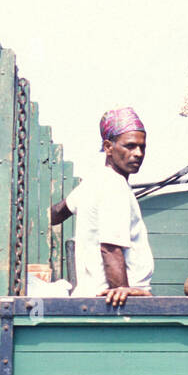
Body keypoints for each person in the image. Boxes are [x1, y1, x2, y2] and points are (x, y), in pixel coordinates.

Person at [49, 107, 154, 305]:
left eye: (142, 147)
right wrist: (122, 292)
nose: (138, 153)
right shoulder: (115, 185)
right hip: (112, 301)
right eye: (130, 146)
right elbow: (110, 248)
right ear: (108, 147)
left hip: (92, 295)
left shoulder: (94, 182)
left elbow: (56, 213)